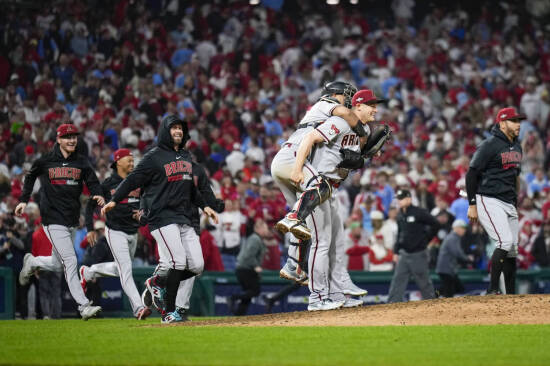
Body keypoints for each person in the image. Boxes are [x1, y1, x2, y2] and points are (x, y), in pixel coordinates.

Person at [101, 115, 219, 324]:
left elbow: (189, 188)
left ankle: (157, 283)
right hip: (162, 217)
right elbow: (132, 180)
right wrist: (114, 200)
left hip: (183, 217)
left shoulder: (184, 155)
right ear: (165, 131)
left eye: (180, 128)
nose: (178, 131)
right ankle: (169, 313)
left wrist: (205, 206)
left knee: (197, 266)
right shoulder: (153, 156)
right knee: (177, 262)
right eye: (173, 128)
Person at [288, 89, 389, 310]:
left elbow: (345, 165)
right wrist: (297, 170)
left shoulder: (359, 131)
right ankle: (316, 298)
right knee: (321, 244)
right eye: (371, 105)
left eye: (376, 105)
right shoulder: (341, 123)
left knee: (335, 245)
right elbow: (310, 138)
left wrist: (361, 158)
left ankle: (335, 295)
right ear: (358, 105)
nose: (375, 109)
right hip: (316, 186)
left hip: (331, 189)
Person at [271, 81, 365, 283]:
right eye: (346, 95)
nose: (348, 99)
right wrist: (363, 133)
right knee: (322, 187)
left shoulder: (321, 115)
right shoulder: (325, 103)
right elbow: (347, 114)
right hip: (293, 156)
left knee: (303, 217)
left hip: (283, 159)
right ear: (335, 94)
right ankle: (292, 218)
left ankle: (293, 266)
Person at [16, 123, 105, 320]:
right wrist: (24, 200)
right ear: (58, 139)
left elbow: (93, 183)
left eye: (74, 136)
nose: (72, 140)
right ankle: (83, 306)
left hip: (71, 220)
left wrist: (98, 195)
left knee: (57, 264)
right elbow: (30, 177)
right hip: (51, 218)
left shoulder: (81, 162)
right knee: (71, 260)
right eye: (67, 137)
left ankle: (32, 262)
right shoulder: (46, 160)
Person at [82, 148, 151, 320]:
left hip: (132, 232)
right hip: (115, 231)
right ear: (118, 161)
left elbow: (144, 204)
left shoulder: (137, 182)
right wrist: (90, 228)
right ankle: (138, 308)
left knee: (120, 268)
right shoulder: (107, 185)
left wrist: (141, 215)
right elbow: (90, 206)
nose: (132, 163)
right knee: (126, 270)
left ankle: (88, 273)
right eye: (129, 160)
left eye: (133, 160)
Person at [466, 107, 524, 294]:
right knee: (504, 242)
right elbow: (471, 174)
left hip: (509, 201)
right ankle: (492, 290)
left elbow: (516, 175)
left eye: (519, 121)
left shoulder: (517, 146)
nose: (518, 124)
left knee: (512, 249)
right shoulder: (489, 145)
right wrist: (472, 204)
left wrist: (516, 202)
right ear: (502, 123)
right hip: (489, 198)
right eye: (514, 121)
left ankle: (511, 294)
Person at [387, 189, 440, 303]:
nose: (399, 201)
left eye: (401, 199)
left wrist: (425, 240)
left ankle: (432, 305)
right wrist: (396, 251)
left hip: (418, 254)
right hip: (404, 254)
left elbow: (435, 223)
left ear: (409, 199)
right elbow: (400, 234)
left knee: (424, 282)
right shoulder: (400, 215)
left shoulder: (419, 212)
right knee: (397, 280)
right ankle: (391, 306)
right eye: (398, 199)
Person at [228, 218, 268, 316]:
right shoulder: (255, 238)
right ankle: (233, 297)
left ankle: (239, 315)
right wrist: (256, 266)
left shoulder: (255, 238)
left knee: (248, 295)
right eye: (265, 228)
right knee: (255, 290)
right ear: (259, 228)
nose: (267, 231)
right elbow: (248, 255)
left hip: (243, 269)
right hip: (245, 269)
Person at [435, 219, 472, 297]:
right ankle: (434, 295)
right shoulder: (452, 238)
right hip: (446, 269)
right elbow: (456, 252)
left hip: (449, 269)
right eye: (463, 228)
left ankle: (435, 294)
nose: (464, 230)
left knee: (456, 287)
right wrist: (468, 258)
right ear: (456, 228)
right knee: (449, 291)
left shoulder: (454, 237)